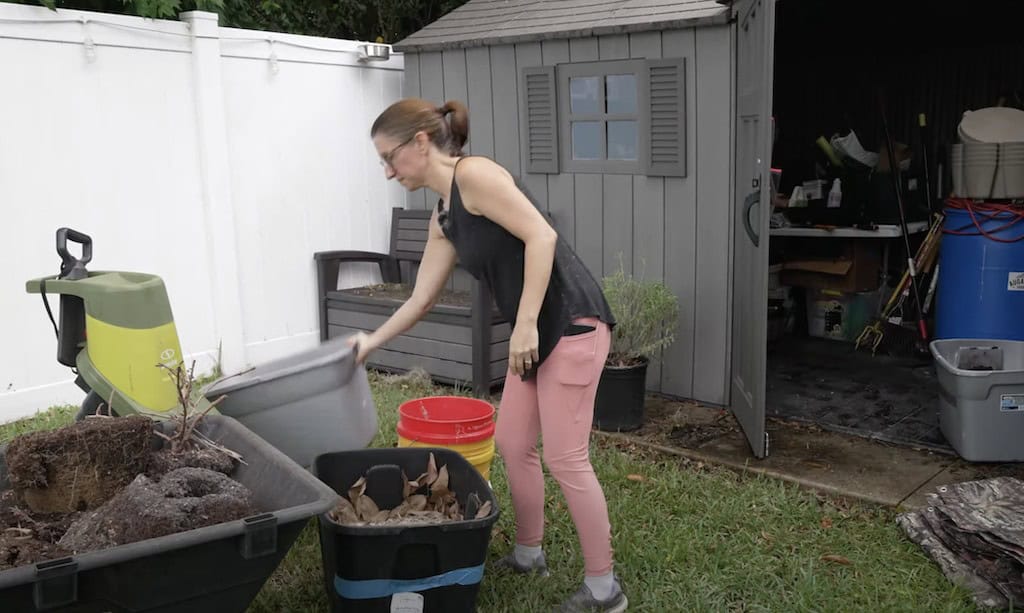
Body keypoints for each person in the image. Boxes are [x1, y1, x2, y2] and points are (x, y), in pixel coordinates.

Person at [349, 97, 626, 612]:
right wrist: (370, 342)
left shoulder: (475, 176)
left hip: (570, 323)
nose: (387, 171)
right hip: (538, 335)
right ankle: (528, 552)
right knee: (514, 442)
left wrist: (522, 326)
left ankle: (605, 589)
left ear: (421, 142)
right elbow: (421, 298)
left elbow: (541, 235)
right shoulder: (444, 217)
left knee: (568, 458)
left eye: (390, 157)